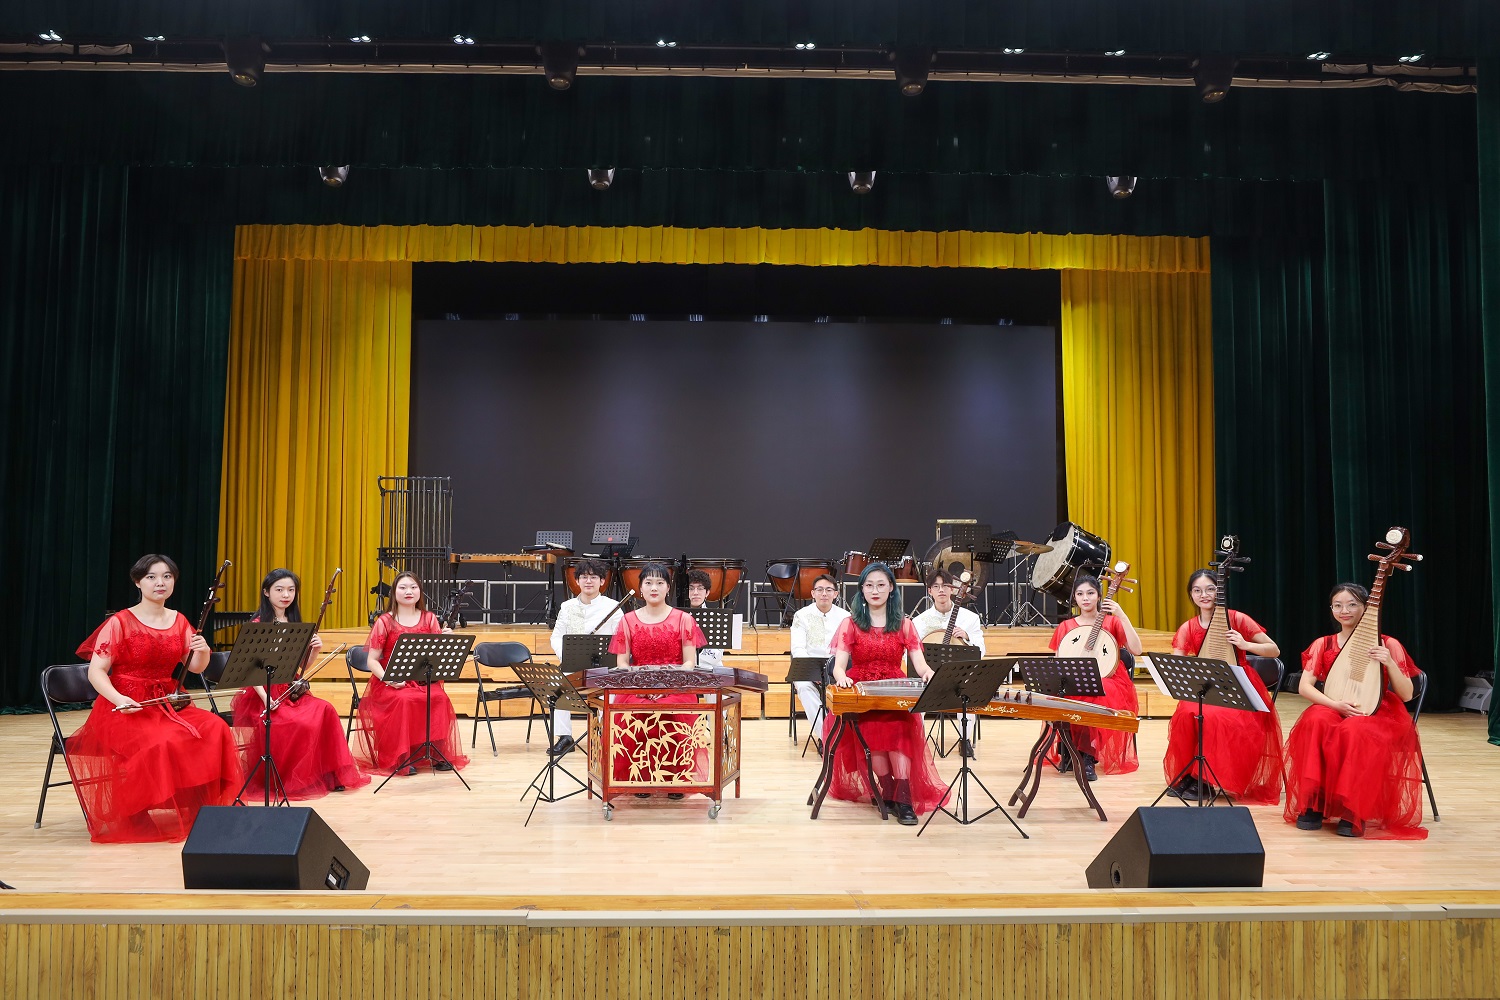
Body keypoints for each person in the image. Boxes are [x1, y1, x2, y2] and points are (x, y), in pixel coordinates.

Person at [65, 555, 243, 843]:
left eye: (167, 576)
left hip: (167, 702)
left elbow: (195, 667)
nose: (160, 582)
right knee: (159, 742)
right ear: (138, 582)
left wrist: (202, 650)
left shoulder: (179, 620)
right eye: (151, 577)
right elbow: (96, 672)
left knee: (214, 728)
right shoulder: (120, 622)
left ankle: (199, 805)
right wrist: (119, 699)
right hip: (125, 705)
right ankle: (135, 812)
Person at [1283, 583, 1427, 839]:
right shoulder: (1323, 643)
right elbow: (1305, 687)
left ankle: (1353, 809)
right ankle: (1314, 803)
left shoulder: (1388, 643)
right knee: (1315, 720)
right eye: (1337, 605)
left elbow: (1406, 695)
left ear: (1366, 608)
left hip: (1376, 711)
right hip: (1333, 704)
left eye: (1352, 604)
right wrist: (1334, 705)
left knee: (1354, 729)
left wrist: (1389, 662)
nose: (1344, 611)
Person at [826, 563, 949, 826]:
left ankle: (903, 798)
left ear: (891, 588)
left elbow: (921, 665)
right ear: (862, 589)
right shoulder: (850, 624)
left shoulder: (905, 624)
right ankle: (888, 790)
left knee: (899, 734)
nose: (875, 590)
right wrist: (842, 677)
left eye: (881, 585)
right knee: (874, 737)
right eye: (869, 585)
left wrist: (928, 673)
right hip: (864, 693)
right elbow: (838, 666)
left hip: (894, 692)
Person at [229, 569, 368, 798]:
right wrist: (266, 698)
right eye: (279, 589)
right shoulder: (258, 624)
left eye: (291, 590)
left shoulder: (294, 622)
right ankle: (292, 780)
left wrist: (314, 650)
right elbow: (250, 669)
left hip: (289, 689)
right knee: (297, 723)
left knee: (326, 710)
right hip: (263, 692)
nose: (286, 595)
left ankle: (326, 775)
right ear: (266, 592)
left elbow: (299, 668)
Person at [1162, 570, 1283, 803]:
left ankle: (1207, 779)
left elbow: (1274, 650)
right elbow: (1178, 661)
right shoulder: (1188, 627)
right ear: (1191, 595)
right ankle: (1189, 773)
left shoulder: (1237, 619)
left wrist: (1245, 644)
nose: (1204, 595)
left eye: (1210, 589)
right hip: (1206, 686)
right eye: (1197, 590)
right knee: (1186, 713)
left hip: (1239, 687)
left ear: (1219, 592)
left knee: (1217, 717)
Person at [608, 563, 709, 798]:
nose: (654, 588)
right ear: (640, 589)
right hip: (637, 687)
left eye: (660, 583)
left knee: (674, 711)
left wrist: (667, 686)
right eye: (648, 583)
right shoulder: (627, 620)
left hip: (675, 687)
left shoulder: (684, 619)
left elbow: (689, 662)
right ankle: (639, 778)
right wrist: (641, 687)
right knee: (634, 711)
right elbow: (622, 663)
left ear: (668, 588)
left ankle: (677, 779)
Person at [355, 572, 469, 776]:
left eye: (413, 587)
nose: (408, 591)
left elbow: (437, 654)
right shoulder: (385, 621)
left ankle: (434, 753)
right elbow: (372, 660)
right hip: (392, 682)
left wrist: (447, 640)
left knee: (439, 697)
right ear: (394, 592)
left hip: (422, 681)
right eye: (403, 587)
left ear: (420, 592)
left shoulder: (429, 618)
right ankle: (402, 757)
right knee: (404, 699)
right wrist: (389, 679)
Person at [1046, 573, 1143, 780]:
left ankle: (1087, 756)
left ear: (1099, 596)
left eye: (1090, 593)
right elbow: (1059, 660)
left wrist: (1122, 615)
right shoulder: (1066, 626)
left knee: (1097, 692)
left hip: (1110, 678)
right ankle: (1069, 748)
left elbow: (1136, 649)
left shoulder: (1112, 622)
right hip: (1075, 678)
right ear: (1074, 598)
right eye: (1080, 594)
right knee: (1066, 693)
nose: (1085, 598)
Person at [547, 559, 621, 756]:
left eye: (593, 577)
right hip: (574, 665)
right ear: (577, 581)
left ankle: (605, 734)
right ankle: (565, 737)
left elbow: (621, 638)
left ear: (602, 581)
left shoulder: (613, 607)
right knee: (556, 686)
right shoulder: (568, 607)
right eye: (584, 577)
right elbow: (556, 637)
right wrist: (567, 655)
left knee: (612, 689)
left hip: (604, 668)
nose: (589, 581)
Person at [909, 569, 988, 742]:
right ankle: (918, 741)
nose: (941, 590)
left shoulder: (970, 618)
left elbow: (981, 650)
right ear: (929, 591)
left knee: (968, 693)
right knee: (916, 696)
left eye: (945, 586)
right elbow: (911, 653)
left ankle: (965, 740)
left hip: (960, 675)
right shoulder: (919, 622)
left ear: (952, 589)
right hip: (929, 675)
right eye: (936, 586)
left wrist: (967, 637)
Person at [789, 574, 851, 743]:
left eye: (829, 590)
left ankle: (846, 735)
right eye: (820, 589)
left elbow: (849, 648)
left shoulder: (845, 617)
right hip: (809, 668)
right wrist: (813, 672)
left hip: (838, 668)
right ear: (813, 593)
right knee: (804, 687)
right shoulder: (801, 615)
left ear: (836, 594)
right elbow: (798, 649)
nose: (824, 593)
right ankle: (828, 738)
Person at [686, 569, 723, 669]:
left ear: (707, 593)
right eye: (691, 588)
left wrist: (699, 647)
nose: (695, 593)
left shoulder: (715, 618)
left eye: (700, 588)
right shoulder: (676, 616)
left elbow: (717, 656)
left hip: (709, 669)